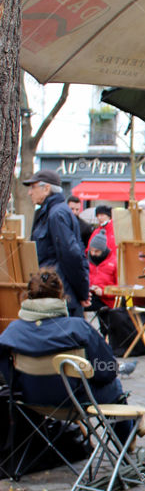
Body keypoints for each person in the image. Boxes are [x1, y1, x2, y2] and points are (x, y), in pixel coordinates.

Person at [0, 268, 127, 412]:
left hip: (31, 399)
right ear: (61, 295)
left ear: (28, 296)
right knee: (115, 387)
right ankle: (127, 433)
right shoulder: (78, 327)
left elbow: (6, 373)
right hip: (77, 400)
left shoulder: (13, 330)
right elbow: (107, 371)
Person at [23, 169, 89, 316]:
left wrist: (82, 292)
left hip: (61, 297)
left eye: (33, 187)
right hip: (53, 294)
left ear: (46, 188)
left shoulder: (56, 214)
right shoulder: (50, 212)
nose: (29, 192)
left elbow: (71, 255)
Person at [86, 205, 119, 312]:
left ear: (109, 216)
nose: (100, 218)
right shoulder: (96, 232)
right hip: (94, 292)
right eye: (98, 215)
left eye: (102, 215)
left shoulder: (115, 230)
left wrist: (103, 291)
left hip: (111, 268)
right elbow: (88, 250)